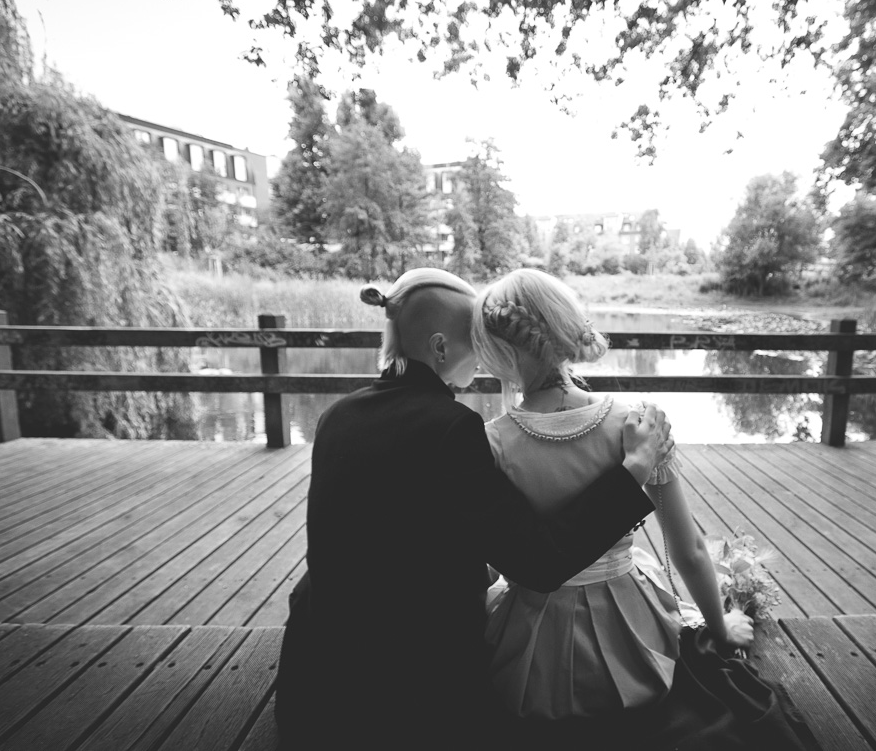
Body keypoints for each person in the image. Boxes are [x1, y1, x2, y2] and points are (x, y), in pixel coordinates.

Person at [273, 268, 674, 749]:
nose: (486, 357)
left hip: (314, 678)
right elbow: (539, 563)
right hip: (405, 696)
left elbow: (399, 535)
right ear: (441, 348)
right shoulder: (451, 427)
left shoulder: (337, 415)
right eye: (475, 339)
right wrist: (633, 469)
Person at [474, 268, 818, 751]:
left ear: (500, 350)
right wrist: (720, 629)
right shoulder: (638, 425)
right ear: (565, 328)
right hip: (633, 639)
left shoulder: (491, 443)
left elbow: (491, 562)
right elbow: (688, 549)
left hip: (532, 657)